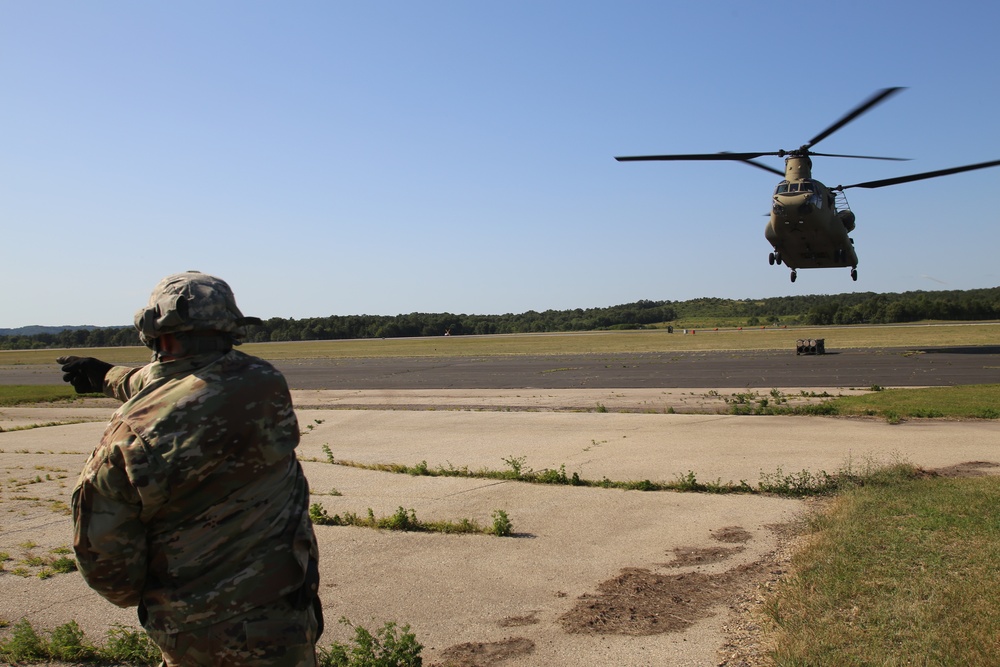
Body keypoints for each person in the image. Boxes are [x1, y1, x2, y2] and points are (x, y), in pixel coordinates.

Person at [59, 271, 322, 666]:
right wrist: (106, 375)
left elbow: (110, 573)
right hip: (286, 614)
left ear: (157, 334)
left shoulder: (133, 434)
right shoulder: (264, 381)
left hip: (203, 636)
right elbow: (180, 378)